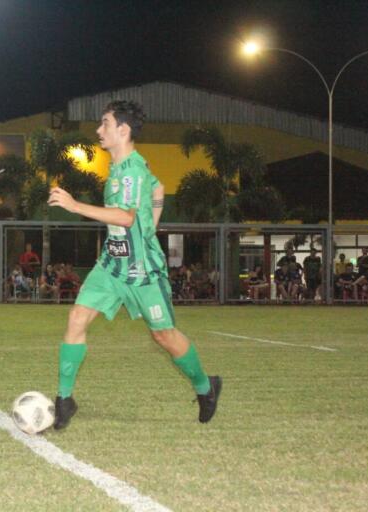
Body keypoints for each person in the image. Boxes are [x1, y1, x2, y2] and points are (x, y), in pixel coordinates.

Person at [46, 100, 221, 429]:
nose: (99, 130)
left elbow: (126, 217)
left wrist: (74, 205)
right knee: (77, 317)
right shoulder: (121, 166)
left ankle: (205, 386)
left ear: (123, 130)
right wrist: (151, 224)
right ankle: (64, 399)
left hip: (143, 272)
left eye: (105, 124)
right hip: (112, 264)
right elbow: (159, 189)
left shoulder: (131, 171)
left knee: (164, 337)